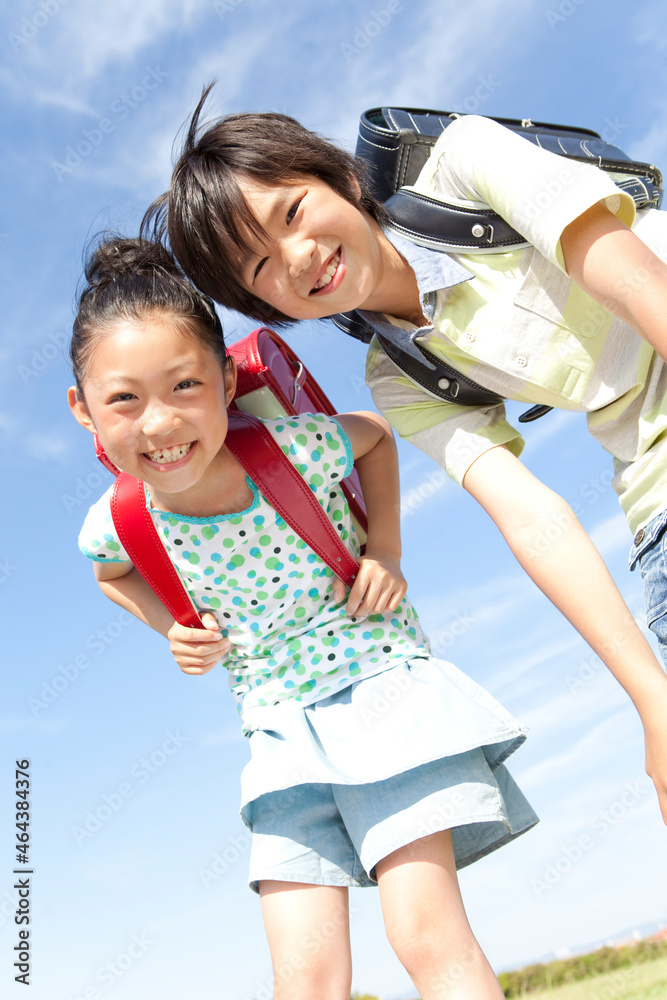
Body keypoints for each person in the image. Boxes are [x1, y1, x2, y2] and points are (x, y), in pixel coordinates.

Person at [143, 86, 667, 825]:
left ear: (338, 177)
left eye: (292, 213)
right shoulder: (397, 377)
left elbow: (642, 287)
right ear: (266, 309)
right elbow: (531, 518)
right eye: (260, 268)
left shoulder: (464, 163)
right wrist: (652, 703)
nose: (298, 257)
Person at [68, 234, 538, 1000]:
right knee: (304, 977)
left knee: (426, 938)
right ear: (83, 411)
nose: (158, 423)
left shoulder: (294, 451)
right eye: (124, 398)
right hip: (278, 733)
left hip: (382, 690)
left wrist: (384, 551)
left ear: (226, 381)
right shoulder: (116, 518)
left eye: (184, 385)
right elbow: (107, 572)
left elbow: (374, 438)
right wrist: (172, 624)